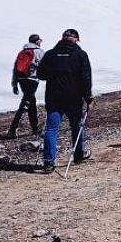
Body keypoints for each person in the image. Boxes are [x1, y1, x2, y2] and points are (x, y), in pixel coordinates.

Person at [36, 28, 93, 174]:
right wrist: (88, 97)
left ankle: (48, 162)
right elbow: (85, 78)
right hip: (74, 98)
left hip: (54, 98)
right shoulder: (80, 55)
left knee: (52, 129)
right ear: (75, 39)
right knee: (77, 126)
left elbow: (40, 74)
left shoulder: (50, 54)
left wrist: (55, 75)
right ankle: (78, 155)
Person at [8, 34, 43, 138]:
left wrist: (14, 84)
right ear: (37, 41)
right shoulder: (40, 52)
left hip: (21, 80)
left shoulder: (22, 52)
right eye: (40, 40)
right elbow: (44, 66)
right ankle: (12, 129)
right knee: (25, 104)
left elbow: (15, 69)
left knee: (31, 102)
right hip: (32, 80)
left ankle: (35, 128)